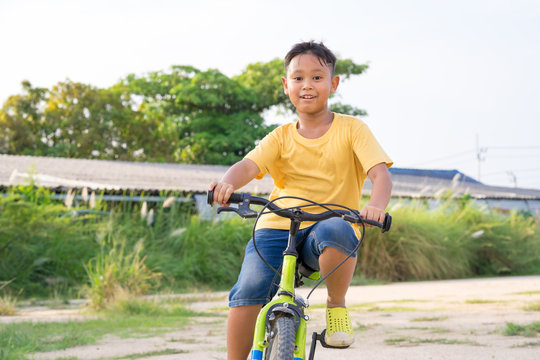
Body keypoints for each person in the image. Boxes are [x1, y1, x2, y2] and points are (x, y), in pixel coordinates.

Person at [209, 40, 393, 360]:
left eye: (317, 77)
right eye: (298, 78)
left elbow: (381, 175)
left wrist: (376, 206)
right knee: (249, 289)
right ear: (286, 86)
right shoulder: (280, 136)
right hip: (277, 223)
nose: (307, 85)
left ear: (333, 84)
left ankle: (336, 305)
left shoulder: (352, 129)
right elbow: (248, 166)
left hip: (327, 224)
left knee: (337, 229)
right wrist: (226, 184)